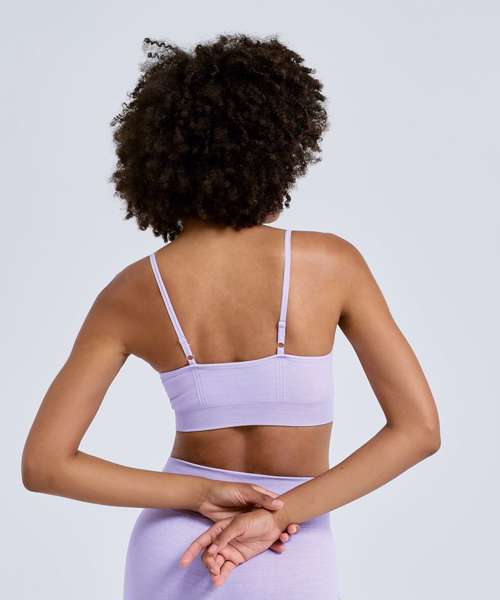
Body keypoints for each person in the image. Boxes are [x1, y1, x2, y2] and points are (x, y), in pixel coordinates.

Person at [21, 34, 441, 599]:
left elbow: (46, 466)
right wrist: (278, 513)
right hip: (289, 540)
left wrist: (197, 493)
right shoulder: (330, 264)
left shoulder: (129, 293)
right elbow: (419, 431)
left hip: (176, 545)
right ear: (275, 151)